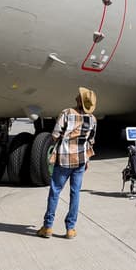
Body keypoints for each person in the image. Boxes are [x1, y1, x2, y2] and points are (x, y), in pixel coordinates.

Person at [38, 88, 98, 239]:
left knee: (55, 192)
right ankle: (70, 229)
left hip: (64, 160)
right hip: (80, 160)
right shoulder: (92, 119)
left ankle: (48, 227)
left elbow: (55, 136)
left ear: (79, 100)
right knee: (75, 193)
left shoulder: (67, 113)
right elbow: (91, 141)